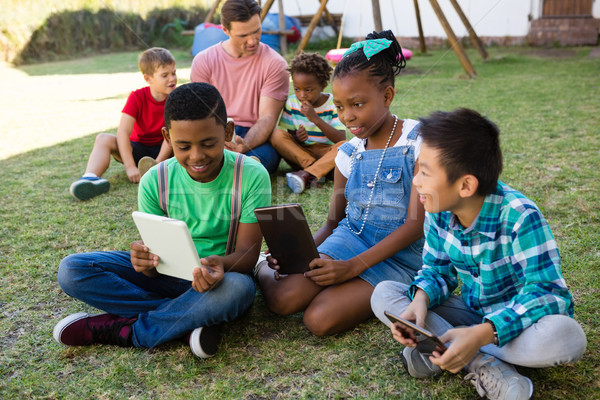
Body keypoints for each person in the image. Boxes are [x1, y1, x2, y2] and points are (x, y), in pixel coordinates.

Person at [371, 108, 587, 399]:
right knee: (384, 293)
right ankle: (483, 363)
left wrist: (482, 333)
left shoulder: (519, 215)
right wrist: (420, 302)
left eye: (425, 172)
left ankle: (452, 348)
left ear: (465, 185)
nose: (416, 182)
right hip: (471, 314)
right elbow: (437, 271)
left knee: (567, 337)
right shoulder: (437, 209)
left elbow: (549, 293)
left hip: (519, 325)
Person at [53, 82, 271, 358]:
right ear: (167, 137)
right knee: (72, 270)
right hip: (168, 277)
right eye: (183, 146)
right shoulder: (155, 180)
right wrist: (146, 264)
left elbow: (248, 255)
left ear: (227, 132)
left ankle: (130, 330)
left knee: (239, 290)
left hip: (220, 280)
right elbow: (156, 262)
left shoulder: (251, 174)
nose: (196, 156)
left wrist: (222, 264)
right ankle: (187, 318)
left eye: (208, 143)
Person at [256, 30, 425, 336]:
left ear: (387, 96)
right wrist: (302, 256)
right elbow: (334, 222)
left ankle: (352, 285)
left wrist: (352, 268)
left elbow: (415, 225)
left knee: (319, 320)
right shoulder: (348, 152)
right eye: (339, 107)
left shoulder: (417, 143)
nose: (347, 117)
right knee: (284, 298)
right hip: (350, 240)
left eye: (357, 104)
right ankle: (260, 266)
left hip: (401, 259)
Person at [190, 0, 289, 174]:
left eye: (256, 31)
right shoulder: (203, 61)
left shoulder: (275, 64)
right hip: (214, 131)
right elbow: (200, 114)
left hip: (256, 137)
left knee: (258, 160)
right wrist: (219, 141)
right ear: (225, 30)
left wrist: (242, 145)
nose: (252, 41)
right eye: (243, 35)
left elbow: (267, 118)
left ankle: (241, 170)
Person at [69, 47, 177, 201]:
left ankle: (164, 172)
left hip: (166, 150)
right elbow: (123, 133)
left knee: (178, 136)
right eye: (165, 75)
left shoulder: (176, 98)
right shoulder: (137, 97)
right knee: (103, 138)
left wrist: (156, 166)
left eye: (174, 73)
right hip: (137, 148)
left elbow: (171, 135)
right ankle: (90, 179)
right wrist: (130, 167)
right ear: (148, 79)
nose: (172, 79)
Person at [270, 52, 347, 194]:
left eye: (308, 90)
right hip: (302, 154)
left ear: (323, 86)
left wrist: (315, 119)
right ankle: (314, 170)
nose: (302, 95)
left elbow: (341, 138)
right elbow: (289, 138)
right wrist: (297, 138)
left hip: (326, 152)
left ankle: (307, 174)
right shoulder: (292, 103)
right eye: (297, 89)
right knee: (276, 134)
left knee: (345, 147)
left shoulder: (333, 104)